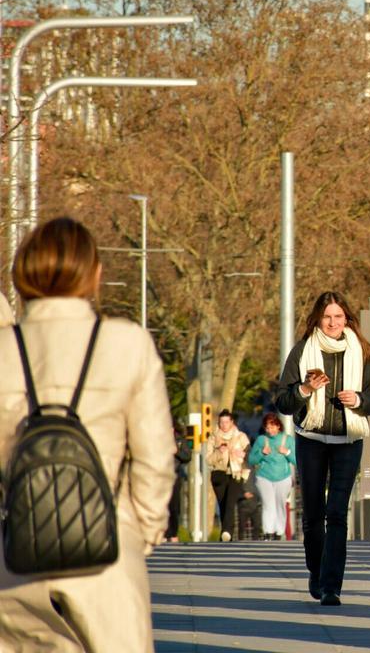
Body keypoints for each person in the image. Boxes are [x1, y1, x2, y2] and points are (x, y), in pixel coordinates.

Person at [0, 217, 174, 651]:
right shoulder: (126, 343)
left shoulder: (4, 349)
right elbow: (155, 455)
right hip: (107, 544)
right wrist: (141, 531)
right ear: (94, 275)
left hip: (16, 552)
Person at [274, 291, 370, 606]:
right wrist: (305, 389)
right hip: (310, 440)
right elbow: (282, 402)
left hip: (347, 442)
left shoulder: (363, 352)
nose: (333, 323)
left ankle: (331, 586)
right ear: (317, 320)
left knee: (337, 513)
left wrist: (360, 400)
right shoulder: (302, 351)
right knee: (313, 513)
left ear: (347, 318)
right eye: (327, 317)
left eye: (338, 317)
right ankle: (317, 571)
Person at [204, 409, 250, 542]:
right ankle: (226, 533)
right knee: (223, 503)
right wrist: (219, 452)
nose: (224, 425)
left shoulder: (241, 437)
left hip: (236, 473)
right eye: (221, 422)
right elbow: (208, 459)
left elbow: (250, 454)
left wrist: (242, 454)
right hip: (219, 473)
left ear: (232, 422)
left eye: (226, 422)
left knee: (230, 502)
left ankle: (227, 531)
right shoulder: (213, 437)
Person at [248, 412, 295, 541]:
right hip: (264, 477)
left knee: (280, 504)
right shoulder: (261, 440)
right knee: (268, 504)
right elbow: (251, 460)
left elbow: (297, 460)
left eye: (273, 427)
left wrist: (287, 452)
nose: (270, 430)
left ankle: (279, 532)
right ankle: (268, 531)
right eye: (267, 427)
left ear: (279, 426)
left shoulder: (288, 439)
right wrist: (262, 454)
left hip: (283, 477)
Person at [166, 422, 192, 542]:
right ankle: (164, 533)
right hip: (161, 477)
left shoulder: (180, 440)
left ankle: (173, 533)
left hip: (175, 476)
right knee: (162, 506)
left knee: (174, 506)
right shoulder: (157, 440)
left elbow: (187, 457)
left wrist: (176, 451)